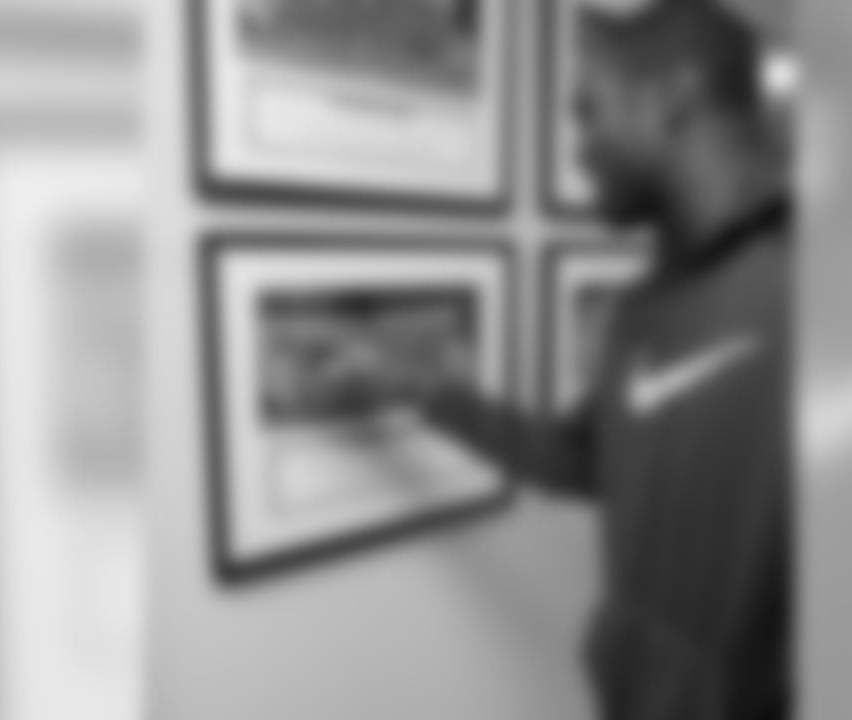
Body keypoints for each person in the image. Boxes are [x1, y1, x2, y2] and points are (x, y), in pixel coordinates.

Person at [327, 1, 792, 717]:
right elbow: (582, 461)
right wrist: (414, 385)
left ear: (676, 95)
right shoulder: (640, 308)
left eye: (588, 109)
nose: (578, 150)